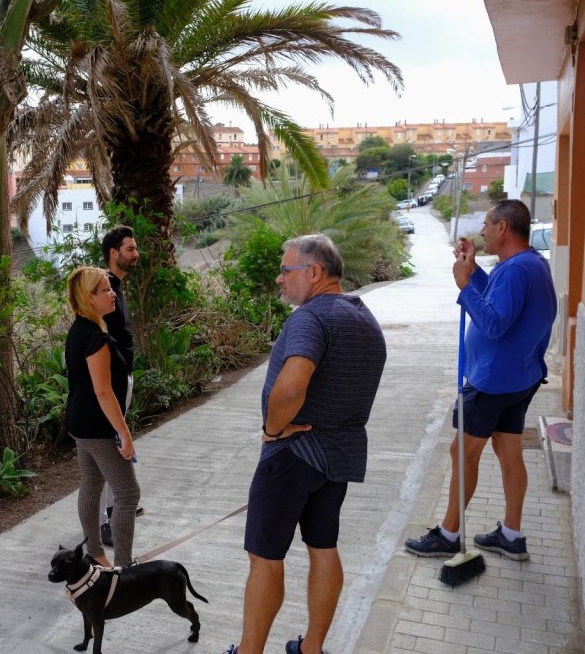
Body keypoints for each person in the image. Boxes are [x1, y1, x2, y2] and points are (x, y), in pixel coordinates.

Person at [227, 234, 387, 654]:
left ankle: (249, 652)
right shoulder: (363, 317)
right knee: (323, 547)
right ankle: (312, 647)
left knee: (265, 557)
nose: (279, 279)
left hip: (293, 458)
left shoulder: (310, 318)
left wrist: (275, 429)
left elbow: (291, 388)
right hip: (337, 460)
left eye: (286, 269)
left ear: (314, 273)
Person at [405, 200, 556, 562]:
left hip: (493, 382)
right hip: (519, 377)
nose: (483, 231)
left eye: (488, 224)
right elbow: (500, 302)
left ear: (503, 228)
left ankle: (448, 535)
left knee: (462, 453)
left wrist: (463, 286)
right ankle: (511, 535)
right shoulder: (528, 264)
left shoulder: (517, 270)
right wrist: (473, 272)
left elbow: (493, 323)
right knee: (508, 454)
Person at [65, 265, 140, 567]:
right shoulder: (95, 338)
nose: (112, 295)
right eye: (105, 290)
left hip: (81, 422)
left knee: (92, 484)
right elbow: (103, 392)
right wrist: (124, 433)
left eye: (111, 288)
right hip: (96, 427)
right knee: (127, 493)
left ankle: (95, 552)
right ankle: (123, 567)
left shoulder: (81, 329)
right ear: (88, 297)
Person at [98, 225, 142, 547]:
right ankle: (105, 523)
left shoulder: (116, 286)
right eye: (130, 249)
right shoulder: (102, 287)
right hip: (110, 382)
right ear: (114, 253)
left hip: (119, 377)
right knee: (108, 446)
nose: (135, 254)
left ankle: (118, 506)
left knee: (117, 442)